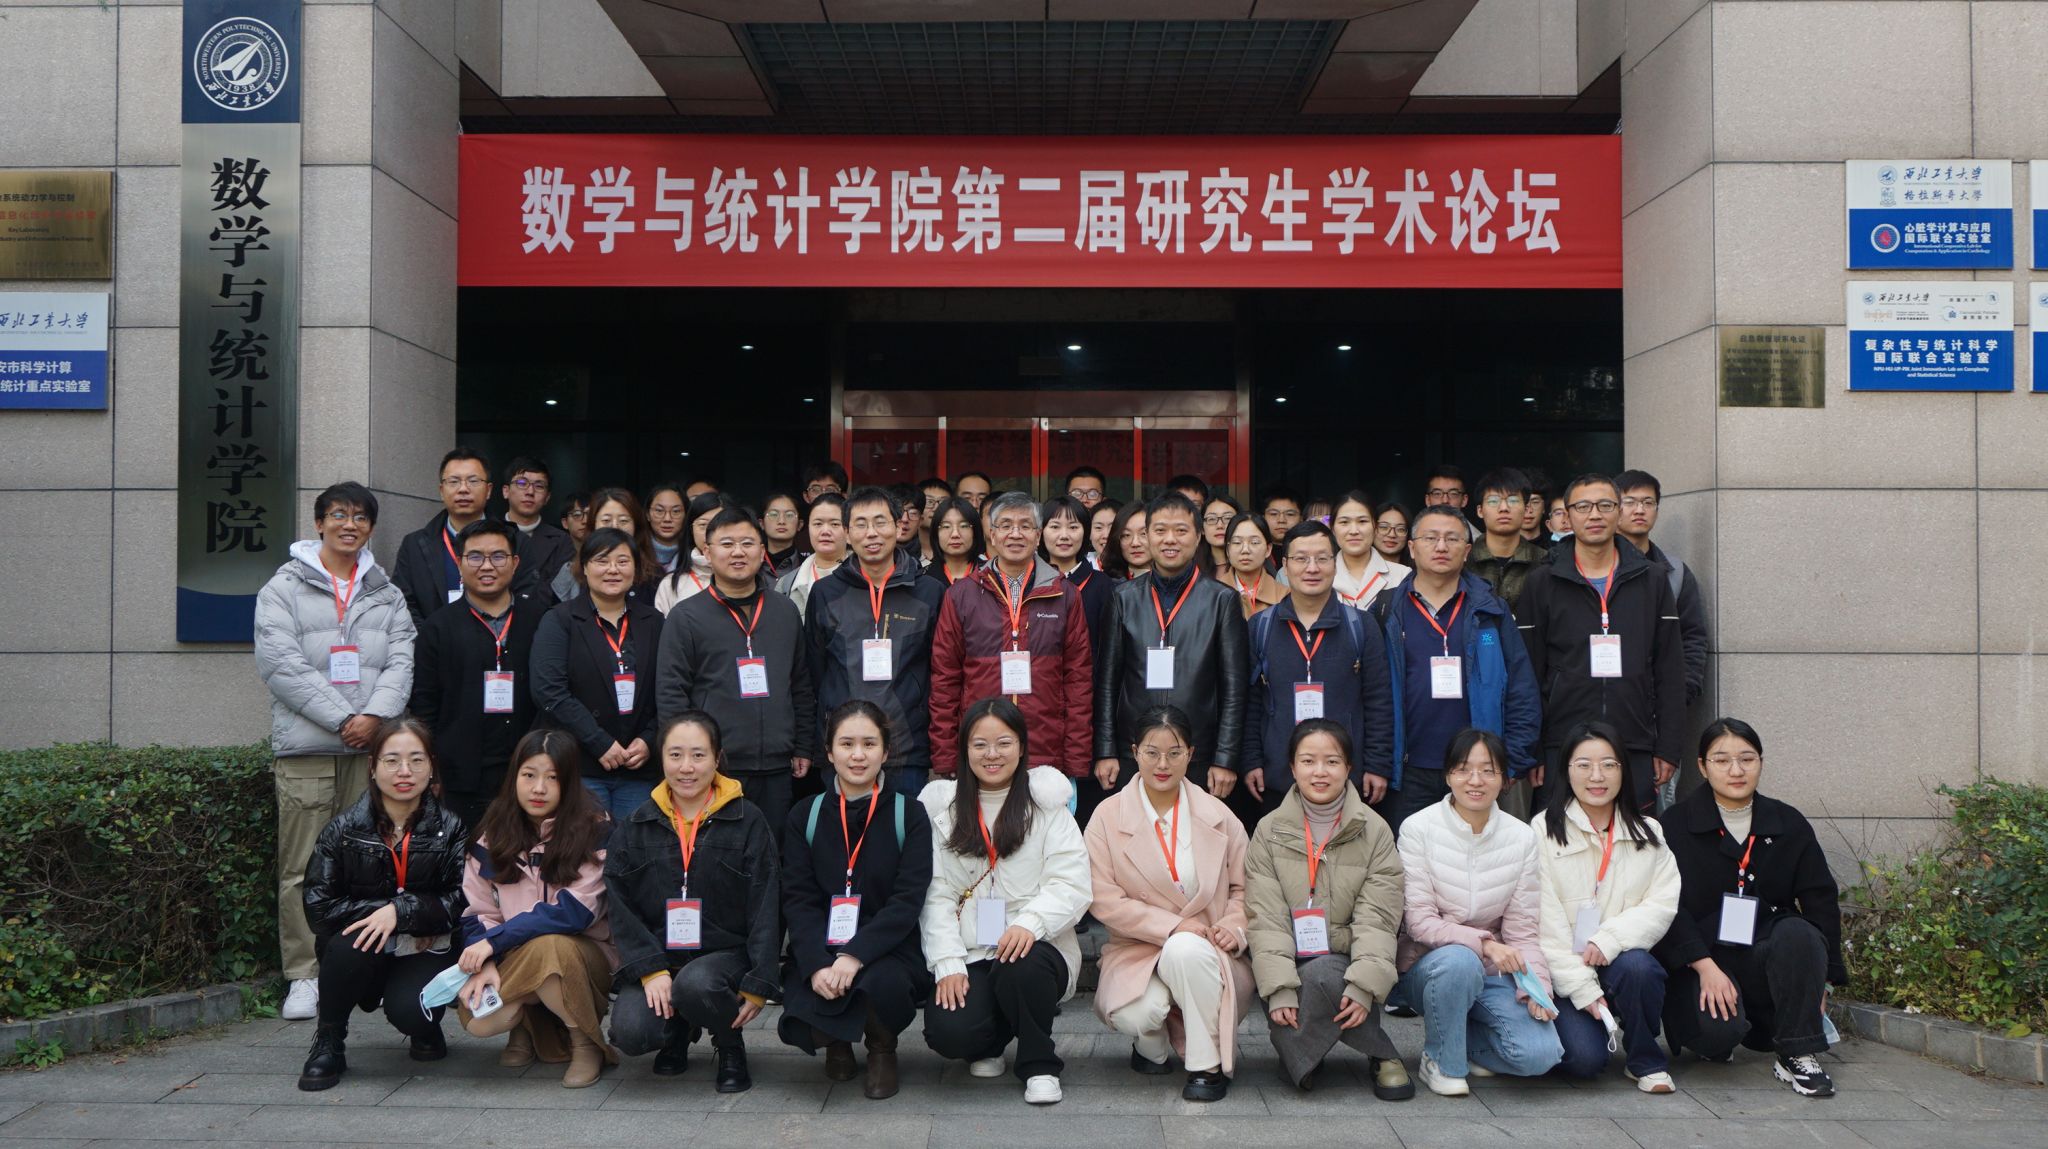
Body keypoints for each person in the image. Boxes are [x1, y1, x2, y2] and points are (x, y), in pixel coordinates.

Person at [256, 481, 416, 1022]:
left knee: (370, 863)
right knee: (302, 866)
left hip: (369, 753)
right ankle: (304, 975)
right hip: (307, 751)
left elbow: (401, 662)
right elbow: (281, 666)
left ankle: (357, 967)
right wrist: (344, 719)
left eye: (361, 517)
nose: (350, 525)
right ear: (319, 522)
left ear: (371, 527)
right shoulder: (283, 588)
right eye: (339, 515)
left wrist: (374, 720)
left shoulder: (385, 593)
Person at [1655, 719, 1843, 1097]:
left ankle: (1797, 1052)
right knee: (1715, 1033)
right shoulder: (1674, 824)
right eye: (1722, 760)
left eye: (1747, 759)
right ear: (1702, 766)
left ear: (1761, 762)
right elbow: (1663, 905)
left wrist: (1823, 979)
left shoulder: (1787, 823)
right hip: (1702, 957)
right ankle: (1717, 1041)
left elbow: (1820, 898)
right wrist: (1703, 965)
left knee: (1799, 932)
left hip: (1763, 951)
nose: (1736, 770)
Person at [920, 699, 1092, 1105]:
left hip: (1038, 947)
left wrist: (1029, 923)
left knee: (1020, 964)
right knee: (949, 1031)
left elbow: (1072, 883)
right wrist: (947, 962)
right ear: (965, 749)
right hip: (973, 948)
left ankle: (1039, 1064)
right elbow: (937, 894)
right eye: (980, 744)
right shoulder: (944, 811)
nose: (992, 754)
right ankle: (990, 1041)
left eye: (1003, 743)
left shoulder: (1047, 807)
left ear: (1022, 746)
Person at [604, 712, 781, 1092]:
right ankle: (678, 1031)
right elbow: (619, 903)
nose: (686, 767)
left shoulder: (747, 820)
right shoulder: (636, 824)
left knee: (696, 984)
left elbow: (766, 901)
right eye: (676, 755)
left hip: (725, 956)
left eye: (698, 755)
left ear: (717, 758)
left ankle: (729, 1043)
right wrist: (650, 968)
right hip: (662, 955)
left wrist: (760, 980)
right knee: (631, 1032)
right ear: (661, 757)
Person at [1086, 706, 1255, 1102]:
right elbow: (1103, 897)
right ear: (1134, 752)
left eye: (1174, 753)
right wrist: (1172, 925)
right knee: (1139, 1013)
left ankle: (1205, 1065)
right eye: (1151, 752)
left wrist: (1234, 927)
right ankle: (1152, 1044)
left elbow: (1247, 888)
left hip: (1210, 948)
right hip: (1137, 949)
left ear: (1190, 754)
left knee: (1185, 950)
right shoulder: (1107, 816)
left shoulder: (1219, 814)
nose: (1162, 764)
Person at [1244, 720, 1412, 1100]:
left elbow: (1378, 919)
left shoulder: (1375, 831)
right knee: (1294, 1007)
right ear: (1292, 767)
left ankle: (1369, 1052)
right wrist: (1279, 989)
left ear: (1348, 767)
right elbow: (1265, 918)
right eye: (1308, 761)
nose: (1320, 772)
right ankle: (1337, 1048)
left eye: (1332, 761)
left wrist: (1364, 987)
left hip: (1348, 957)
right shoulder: (1268, 831)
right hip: (1289, 958)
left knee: (1323, 975)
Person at [296, 718, 467, 1091]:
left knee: (411, 1013)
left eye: (416, 760)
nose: (404, 771)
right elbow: (318, 907)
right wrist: (387, 911)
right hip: (365, 947)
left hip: (423, 947)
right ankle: (329, 1040)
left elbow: (461, 900)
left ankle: (425, 1027)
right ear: (372, 768)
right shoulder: (343, 829)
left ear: (431, 767)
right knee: (345, 945)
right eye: (392, 760)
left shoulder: (452, 828)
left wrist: (400, 913)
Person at [777, 700, 934, 1100]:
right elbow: (798, 899)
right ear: (829, 753)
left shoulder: (910, 814)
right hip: (823, 943)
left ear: (886, 751)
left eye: (869, 744)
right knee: (803, 1014)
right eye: (847, 744)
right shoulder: (805, 815)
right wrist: (817, 964)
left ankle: (882, 1047)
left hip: (889, 949)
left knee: (881, 983)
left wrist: (855, 954)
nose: (858, 755)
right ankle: (837, 1041)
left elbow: (907, 901)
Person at [1391, 730, 1562, 1096]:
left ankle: (1459, 1039)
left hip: (1492, 973)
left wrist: (1537, 990)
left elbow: (1522, 932)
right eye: (1464, 769)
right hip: (1431, 968)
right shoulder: (1418, 829)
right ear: (1448, 775)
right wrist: (1483, 944)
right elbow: (1418, 922)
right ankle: (1442, 1062)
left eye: (1488, 770)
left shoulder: (1521, 838)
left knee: (1541, 1055)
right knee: (1460, 960)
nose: (1475, 780)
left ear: (1504, 779)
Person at [453, 729, 619, 1088]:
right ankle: (529, 1026)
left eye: (552, 778)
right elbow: (476, 910)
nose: (538, 788)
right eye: (529, 775)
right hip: (513, 952)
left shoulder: (594, 827)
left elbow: (574, 912)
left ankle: (586, 1042)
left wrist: (495, 943)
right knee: (480, 1021)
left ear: (569, 782)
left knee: (550, 946)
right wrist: (486, 961)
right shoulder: (492, 832)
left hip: (586, 956)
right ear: (514, 776)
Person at [1516, 474, 1687, 815]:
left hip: (1634, 739)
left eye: (1605, 505)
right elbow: (1528, 672)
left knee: (1634, 837)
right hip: (1562, 742)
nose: (1594, 514)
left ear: (1619, 511)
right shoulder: (1542, 582)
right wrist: (1533, 749)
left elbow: (1670, 668)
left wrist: (1668, 747)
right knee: (1559, 838)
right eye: (1583, 506)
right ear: (1567, 515)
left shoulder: (1652, 579)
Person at [1374, 506, 1542, 833]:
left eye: (1452, 539)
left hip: (1477, 770)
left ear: (1466, 552)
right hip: (1408, 770)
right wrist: (1378, 762)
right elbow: (1372, 696)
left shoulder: (1491, 610)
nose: (1441, 546)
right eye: (1431, 538)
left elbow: (1521, 687)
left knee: (1478, 859)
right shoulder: (1386, 609)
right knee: (1411, 858)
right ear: (1412, 548)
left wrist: (1513, 758)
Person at [1537, 721, 1682, 1092]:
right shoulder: (1542, 830)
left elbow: (1663, 903)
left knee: (1640, 968)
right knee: (1584, 1060)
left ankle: (1645, 1058)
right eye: (1584, 765)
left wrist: (1609, 940)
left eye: (1608, 764)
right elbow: (1545, 925)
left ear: (1623, 770)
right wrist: (1583, 989)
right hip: (1564, 970)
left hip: (1621, 960)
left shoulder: (1649, 831)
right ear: (1566, 770)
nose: (1596, 776)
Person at [655, 505, 816, 837]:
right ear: (707, 552)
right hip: (714, 766)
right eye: (727, 544)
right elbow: (671, 694)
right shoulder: (686, 617)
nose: (738, 552)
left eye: (747, 543)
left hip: (777, 765)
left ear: (761, 550)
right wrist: (686, 757)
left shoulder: (784, 611)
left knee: (772, 852)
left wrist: (803, 745)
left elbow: (800, 683)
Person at [1092, 493, 1249, 821]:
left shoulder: (1221, 600)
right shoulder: (1123, 598)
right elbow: (1107, 682)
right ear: (1148, 536)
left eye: (1181, 530)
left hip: (1198, 753)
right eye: (1160, 530)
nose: (1170, 539)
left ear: (1198, 536)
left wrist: (1225, 758)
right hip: (1135, 751)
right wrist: (1106, 750)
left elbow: (1234, 688)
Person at [929, 491, 1095, 786]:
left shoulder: (1065, 595)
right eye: (1005, 525)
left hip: (1046, 749)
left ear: (1038, 535)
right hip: (982, 750)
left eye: (1025, 526)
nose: (1015, 534)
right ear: (992, 535)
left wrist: (1077, 757)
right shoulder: (961, 595)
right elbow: (945, 680)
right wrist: (946, 756)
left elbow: (1078, 681)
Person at [1244, 522, 1395, 813]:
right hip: (1278, 777)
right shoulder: (1260, 626)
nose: (1312, 568)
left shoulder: (1361, 625)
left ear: (1335, 564)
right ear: (1285, 565)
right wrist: (1251, 760)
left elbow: (1379, 701)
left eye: (1322, 558)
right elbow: (1251, 702)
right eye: (1301, 558)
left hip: (1346, 777)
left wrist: (1377, 764)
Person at [806, 486, 949, 793]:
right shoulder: (826, 593)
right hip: (844, 748)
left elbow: (941, 672)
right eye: (860, 524)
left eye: (880, 522)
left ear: (898, 526)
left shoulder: (929, 592)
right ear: (847, 533)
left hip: (907, 747)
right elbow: (816, 671)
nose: (871, 533)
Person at [409, 518, 545, 827]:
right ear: (459, 563)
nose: (487, 566)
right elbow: (424, 704)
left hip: (529, 771)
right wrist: (431, 767)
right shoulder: (438, 626)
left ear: (515, 563)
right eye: (475, 557)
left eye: (498, 556)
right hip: (460, 775)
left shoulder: (540, 620)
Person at [531, 529, 664, 822]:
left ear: (635, 568)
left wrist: (650, 739)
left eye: (622, 561)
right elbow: (549, 690)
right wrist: (598, 741)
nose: (613, 570)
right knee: (585, 846)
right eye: (602, 561)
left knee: (635, 844)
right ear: (585, 567)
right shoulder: (560, 620)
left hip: (637, 765)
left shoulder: (654, 621)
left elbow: (667, 689)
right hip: (580, 764)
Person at [1614, 469, 1708, 712]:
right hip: (1604, 696)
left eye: (1648, 502)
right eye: (1630, 502)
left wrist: (1683, 691)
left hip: (1659, 702)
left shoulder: (1676, 572)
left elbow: (1692, 636)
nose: (1639, 510)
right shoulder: (1597, 567)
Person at [392, 447, 495, 627]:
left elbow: (524, 599)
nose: (463, 489)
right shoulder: (414, 546)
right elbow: (403, 604)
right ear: (441, 490)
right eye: (454, 482)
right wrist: (432, 639)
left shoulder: (515, 542)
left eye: (473, 481)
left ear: (488, 490)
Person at [553, 487, 659, 603]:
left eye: (623, 521)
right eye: (606, 520)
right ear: (593, 525)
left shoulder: (654, 576)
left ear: (636, 526)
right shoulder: (571, 573)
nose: (614, 527)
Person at [1038, 494, 1112, 650]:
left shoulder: (1103, 585)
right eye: (1055, 527)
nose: (1064, 536)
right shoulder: (1031, 582)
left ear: (1086, 532)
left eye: (1073, 527)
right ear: (1040, 533)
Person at [1466, 468, 1546, 612]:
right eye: (1493, 501)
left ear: (1526, 508)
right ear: (1480, 511)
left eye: (1513, 500)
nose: (1504, 508)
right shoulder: (1463, 560)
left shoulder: (1544, 561)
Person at [501, 455, 576, 592]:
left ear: (547, 498)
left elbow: (561, 593)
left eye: (539, 486)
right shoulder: (486, 534)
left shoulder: (561, 541)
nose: (530, 492)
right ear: (506, 491)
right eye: (522, 483)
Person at [653, 491, 730, 614]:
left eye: (719, 525)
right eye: (703, 524)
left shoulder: (745, 577)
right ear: (691, 529)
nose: (709, 532)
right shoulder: (671, 584)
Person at [1332, 491, 1408, 612]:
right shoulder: (1319, 574)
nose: (1354, 531)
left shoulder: (1402, 575)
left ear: (1375, 526)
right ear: (1333, 529)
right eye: (1344, 522)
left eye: (1362, 521)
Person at [775, 493, 847, 620]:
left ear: (849, 529)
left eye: (835, 524)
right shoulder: (787, 584)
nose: (825, 531)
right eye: (818, 524)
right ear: (808, 527)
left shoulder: (865, 576)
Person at [1220, 513, 1286, 618]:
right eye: (1237, 542)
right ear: (1228, 550)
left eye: (1254, 542)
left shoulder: (1285, 596)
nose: (1245, 550)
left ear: (1268, 549)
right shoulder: (1213, 594)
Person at [924, 495, 984, 587]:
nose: (955, 534)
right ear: (936, 533)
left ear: (975, 531)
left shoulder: (990, 576)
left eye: (964, 526)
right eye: (946, 526)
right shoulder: (924, 578)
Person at [1423, 465, 1479, 541]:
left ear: (1464, 500)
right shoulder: (1416, 535)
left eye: (1453, 494)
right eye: (1437, 493)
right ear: (1428, 500)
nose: (1445, 500)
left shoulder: (1477, 541)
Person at [760, 492, 806, 582]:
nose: (781, 521)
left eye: (789, 515)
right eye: (773, 514)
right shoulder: (751, 564)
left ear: (800, 525)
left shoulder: (808, 566)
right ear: (762, 523)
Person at [1103, 501, 1149, 581]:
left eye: (1143, 534)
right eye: (1126, 535)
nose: (1135, 543)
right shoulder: (1105, 583)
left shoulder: (1171, 581)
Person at [1201, 494, 1245, 575]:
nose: (1220, 525)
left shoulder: (1253, 566)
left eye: (1227, 518)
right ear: (1202, 529)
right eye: (1212, 519)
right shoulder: (1191, 569)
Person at [890, 482, 931, 568]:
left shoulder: (927, 567)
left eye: (913, 513)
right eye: (899, 511)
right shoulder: (871, 560)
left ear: (921, 520)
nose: (904, 519)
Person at [1373, 503, 1412, 567]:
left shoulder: (1417, 571)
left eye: (1400, 529)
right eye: (1384, 527)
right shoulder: (1359, 569)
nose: (1392, 535)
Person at [1088, 498, 1122, 569]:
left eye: (1113, 527)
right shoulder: (1079, 567)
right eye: (1098, 527)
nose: (1106, 535)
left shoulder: (1139, 567)